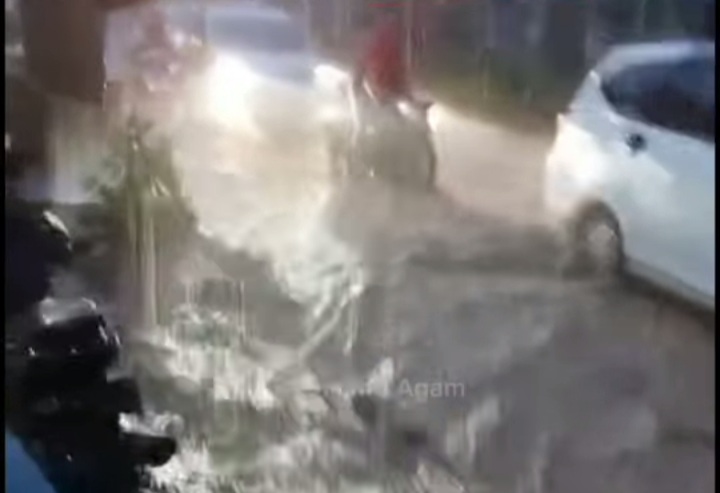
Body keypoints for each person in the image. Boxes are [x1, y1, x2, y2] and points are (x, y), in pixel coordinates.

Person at [353, 11, 411, 104]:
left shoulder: (381, 41)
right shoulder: (379, 41)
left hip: (386, 84)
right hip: (384, 84)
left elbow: (362, 67)